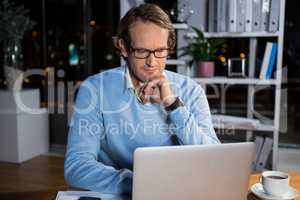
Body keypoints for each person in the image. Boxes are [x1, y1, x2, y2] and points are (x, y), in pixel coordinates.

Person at [64, 3, 220, 194]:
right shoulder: (94, 89)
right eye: (142, 51)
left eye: (160, 51)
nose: (152, 62)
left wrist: (173, 105)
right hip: (123, 195)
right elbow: (76, 167)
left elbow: (214, 159)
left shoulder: (191, 90)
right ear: (123, 47)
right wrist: (141, 184)